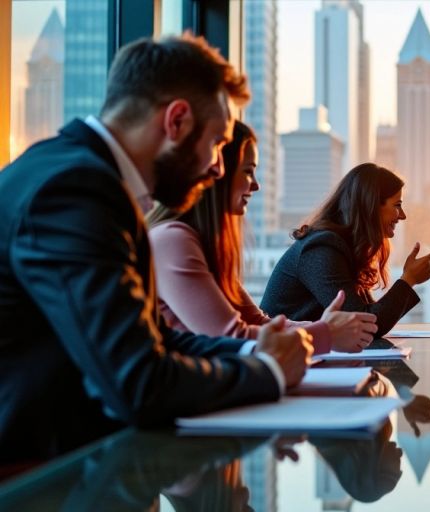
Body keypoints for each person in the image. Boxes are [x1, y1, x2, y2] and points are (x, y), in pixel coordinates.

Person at [0, 35, 311, 470]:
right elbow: (140, 384)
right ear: (177, 121)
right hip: (33, 479)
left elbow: (152, 340)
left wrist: (252, 353)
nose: (218, 167)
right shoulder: (74, 191)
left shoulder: (77, 175)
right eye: (218, 143)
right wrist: (270, 373)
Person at [147, 121, 377, 354]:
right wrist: (324, 334)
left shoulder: (202, 247)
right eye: (248, 171)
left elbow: (257, 322)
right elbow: (232, 338)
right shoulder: (172, 241)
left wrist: (323, 329)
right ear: (217, 171)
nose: (256, 185)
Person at [261, 163, 430, 336]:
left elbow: (368, 314)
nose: (402, 215)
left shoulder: (341, 246)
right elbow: (365, 323)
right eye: (397, 205)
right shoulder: (322, 249)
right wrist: (409, 279)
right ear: (371, 205)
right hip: (284, 358)